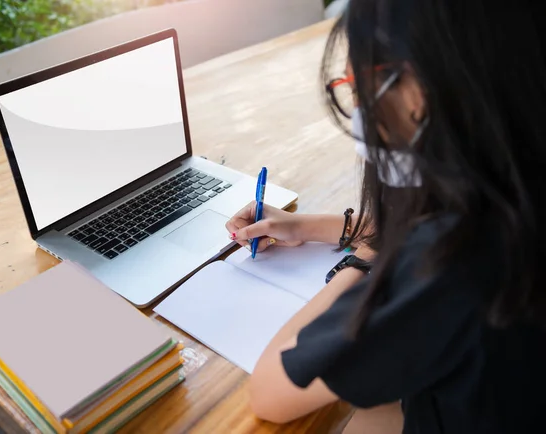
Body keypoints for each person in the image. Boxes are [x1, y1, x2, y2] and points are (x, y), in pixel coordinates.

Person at [225, 0, 546, 433]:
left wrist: (363, 258)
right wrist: (312, 226)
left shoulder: (451, 268)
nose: (356, 102)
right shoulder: (514, 183)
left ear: (417, 93)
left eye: (358, 81)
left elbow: (270, 391)